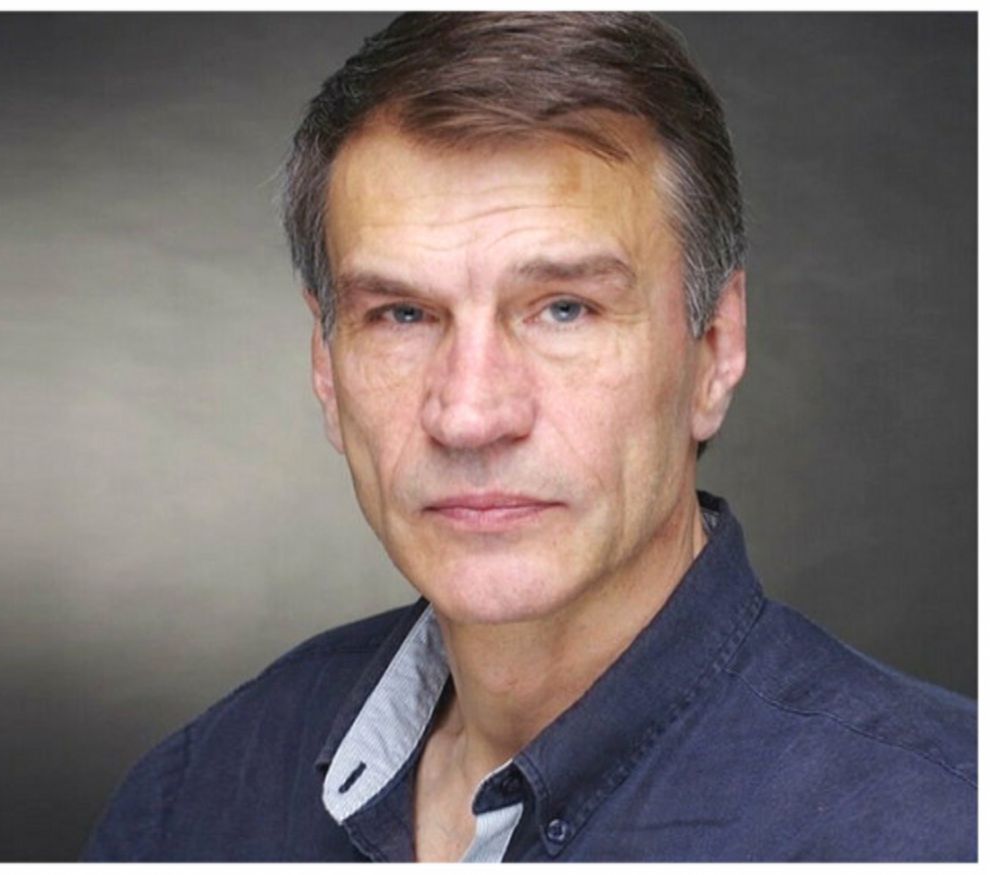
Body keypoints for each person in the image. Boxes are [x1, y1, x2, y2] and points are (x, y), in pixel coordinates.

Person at [82, 12, 976, 862]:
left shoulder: (936, 826)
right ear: (326, 366)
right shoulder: (192, 805)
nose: (469, 414)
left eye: (564, 309)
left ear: (714, 346)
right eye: (401, 314)